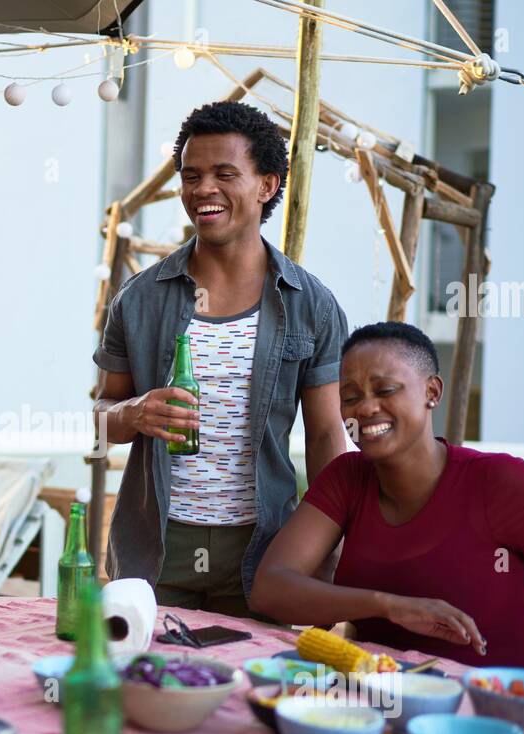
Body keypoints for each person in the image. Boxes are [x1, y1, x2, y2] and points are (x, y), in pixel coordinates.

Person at [250, 321, 524, 687]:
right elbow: (270, 588)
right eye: (349, 396)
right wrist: (387, 606)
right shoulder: (347, 478)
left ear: (432, 392)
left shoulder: (501, 483)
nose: (365, 408)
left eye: (385, 390)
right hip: (384, 708)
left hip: (504, 714)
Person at [93, 101, 349, 617]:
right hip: (154, 550)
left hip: (266, 552)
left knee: (251, 689)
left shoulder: (311, 304)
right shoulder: (138, 299)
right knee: (147, 686)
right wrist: (135, 412)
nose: (202, 189)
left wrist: (332, 546)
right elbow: (101, 420)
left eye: (224, 174)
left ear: (267, 185)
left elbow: (326, 437)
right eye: (192, 176)